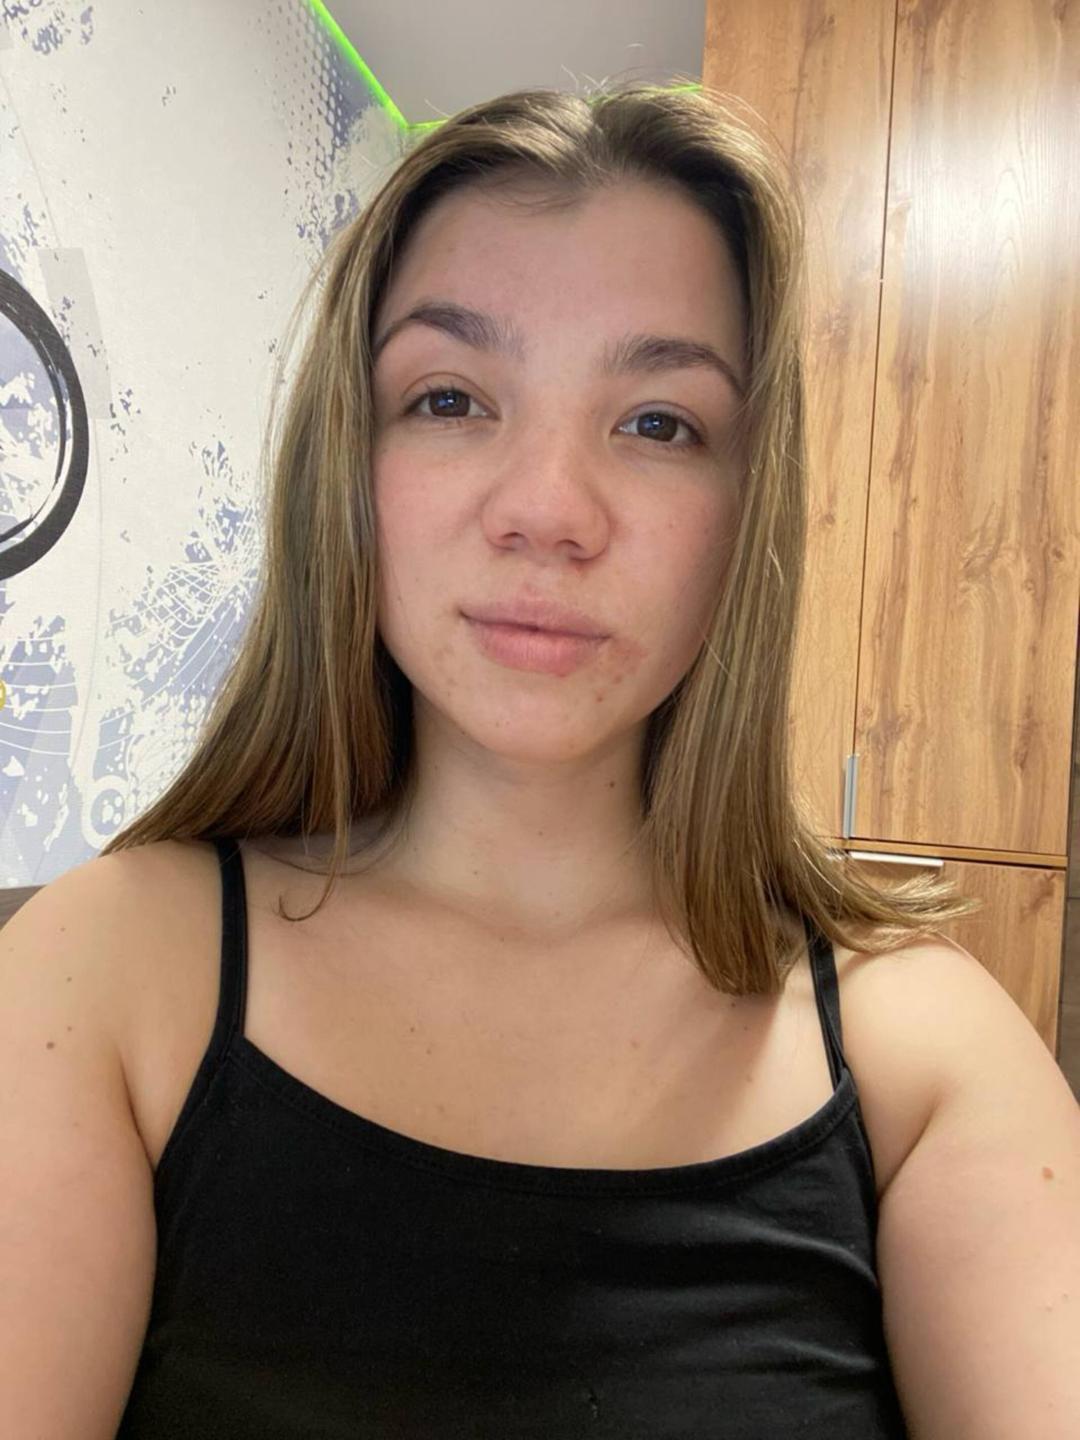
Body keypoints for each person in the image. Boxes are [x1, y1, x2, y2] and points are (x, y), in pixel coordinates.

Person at [2, 81, 1077, 1439]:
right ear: (349, 463)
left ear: (748, 507)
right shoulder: (109, 970)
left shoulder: (924, 1055)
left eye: (659, 422)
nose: (549, 511)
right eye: (452, 398)